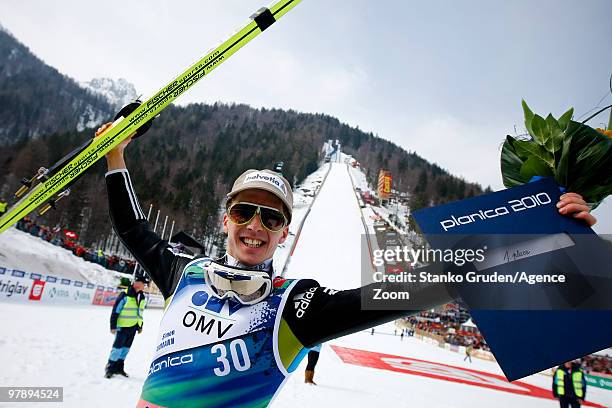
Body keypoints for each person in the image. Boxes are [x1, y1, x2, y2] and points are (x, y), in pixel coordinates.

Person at [97, 122, 596, 407]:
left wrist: (542, 232)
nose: (255, 225)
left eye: (270, 218)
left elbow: (404, 293)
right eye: (243, 212)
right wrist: (115, 159)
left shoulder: (290, 306)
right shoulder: (185, 275)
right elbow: (134, 229)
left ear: (284, 233)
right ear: (225, 219)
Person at [105, 275, 148, 379]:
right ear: (137, 283)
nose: (145, 286)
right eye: (144, 284)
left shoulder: (142, 296)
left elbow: (140, 313)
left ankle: (119, 368)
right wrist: (113, 326)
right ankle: (110, 369)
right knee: (117, 348)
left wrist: (140, 326)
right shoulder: (125, 294)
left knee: (125, 349)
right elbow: (116, 310)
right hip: (122, 326)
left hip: (133, 327)